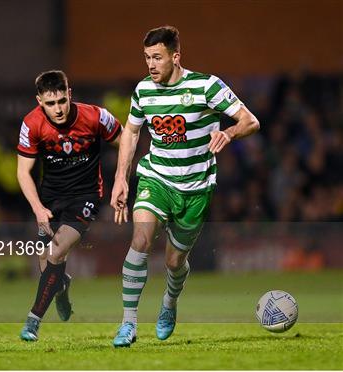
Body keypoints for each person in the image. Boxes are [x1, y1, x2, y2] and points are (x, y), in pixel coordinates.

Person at [110, 26, 260, 347]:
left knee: (174, 262)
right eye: (147, 58)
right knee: (140, 239)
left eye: (158, 58)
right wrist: (121, 178)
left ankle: (169, 303)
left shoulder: (207, 86)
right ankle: (128, 324)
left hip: (195, 187)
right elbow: (132, 133)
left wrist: (229, 133)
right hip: (156, 178)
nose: (151, 65)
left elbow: (250, 120)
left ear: (175, 57)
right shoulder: (143, 91)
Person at [17, 70, 121, 341]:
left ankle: (33, 321)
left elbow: (127, 142)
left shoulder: (96, 116)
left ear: (70, 94)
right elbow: (22, 172)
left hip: (85, 196)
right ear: (39, 100)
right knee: (46, 259)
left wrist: (123, 179)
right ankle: (61, 287)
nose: (58, 109)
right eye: (50, 104)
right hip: (50, 200)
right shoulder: (31, 124)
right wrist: (38, 209)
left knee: (55, 250)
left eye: (62, 101)